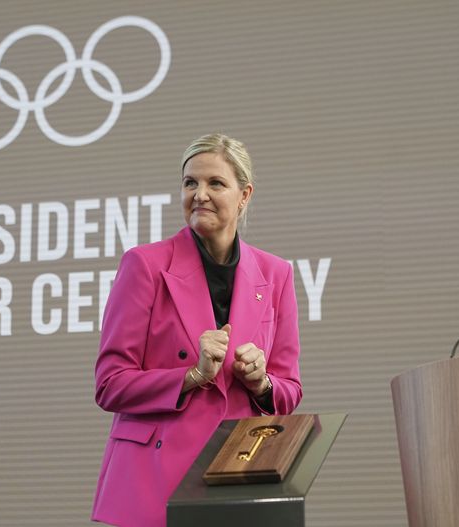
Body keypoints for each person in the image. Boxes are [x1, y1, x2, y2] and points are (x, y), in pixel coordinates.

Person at [91, 133, 302, 527]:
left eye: (215, 183)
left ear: (244, 195)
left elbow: (289, 391)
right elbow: (110, 384)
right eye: (191, 182)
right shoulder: (145, 265)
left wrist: (262, 383)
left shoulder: (277, 275)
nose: (200, 194)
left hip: (238, 481)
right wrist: (191, 376)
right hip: (155, 484)